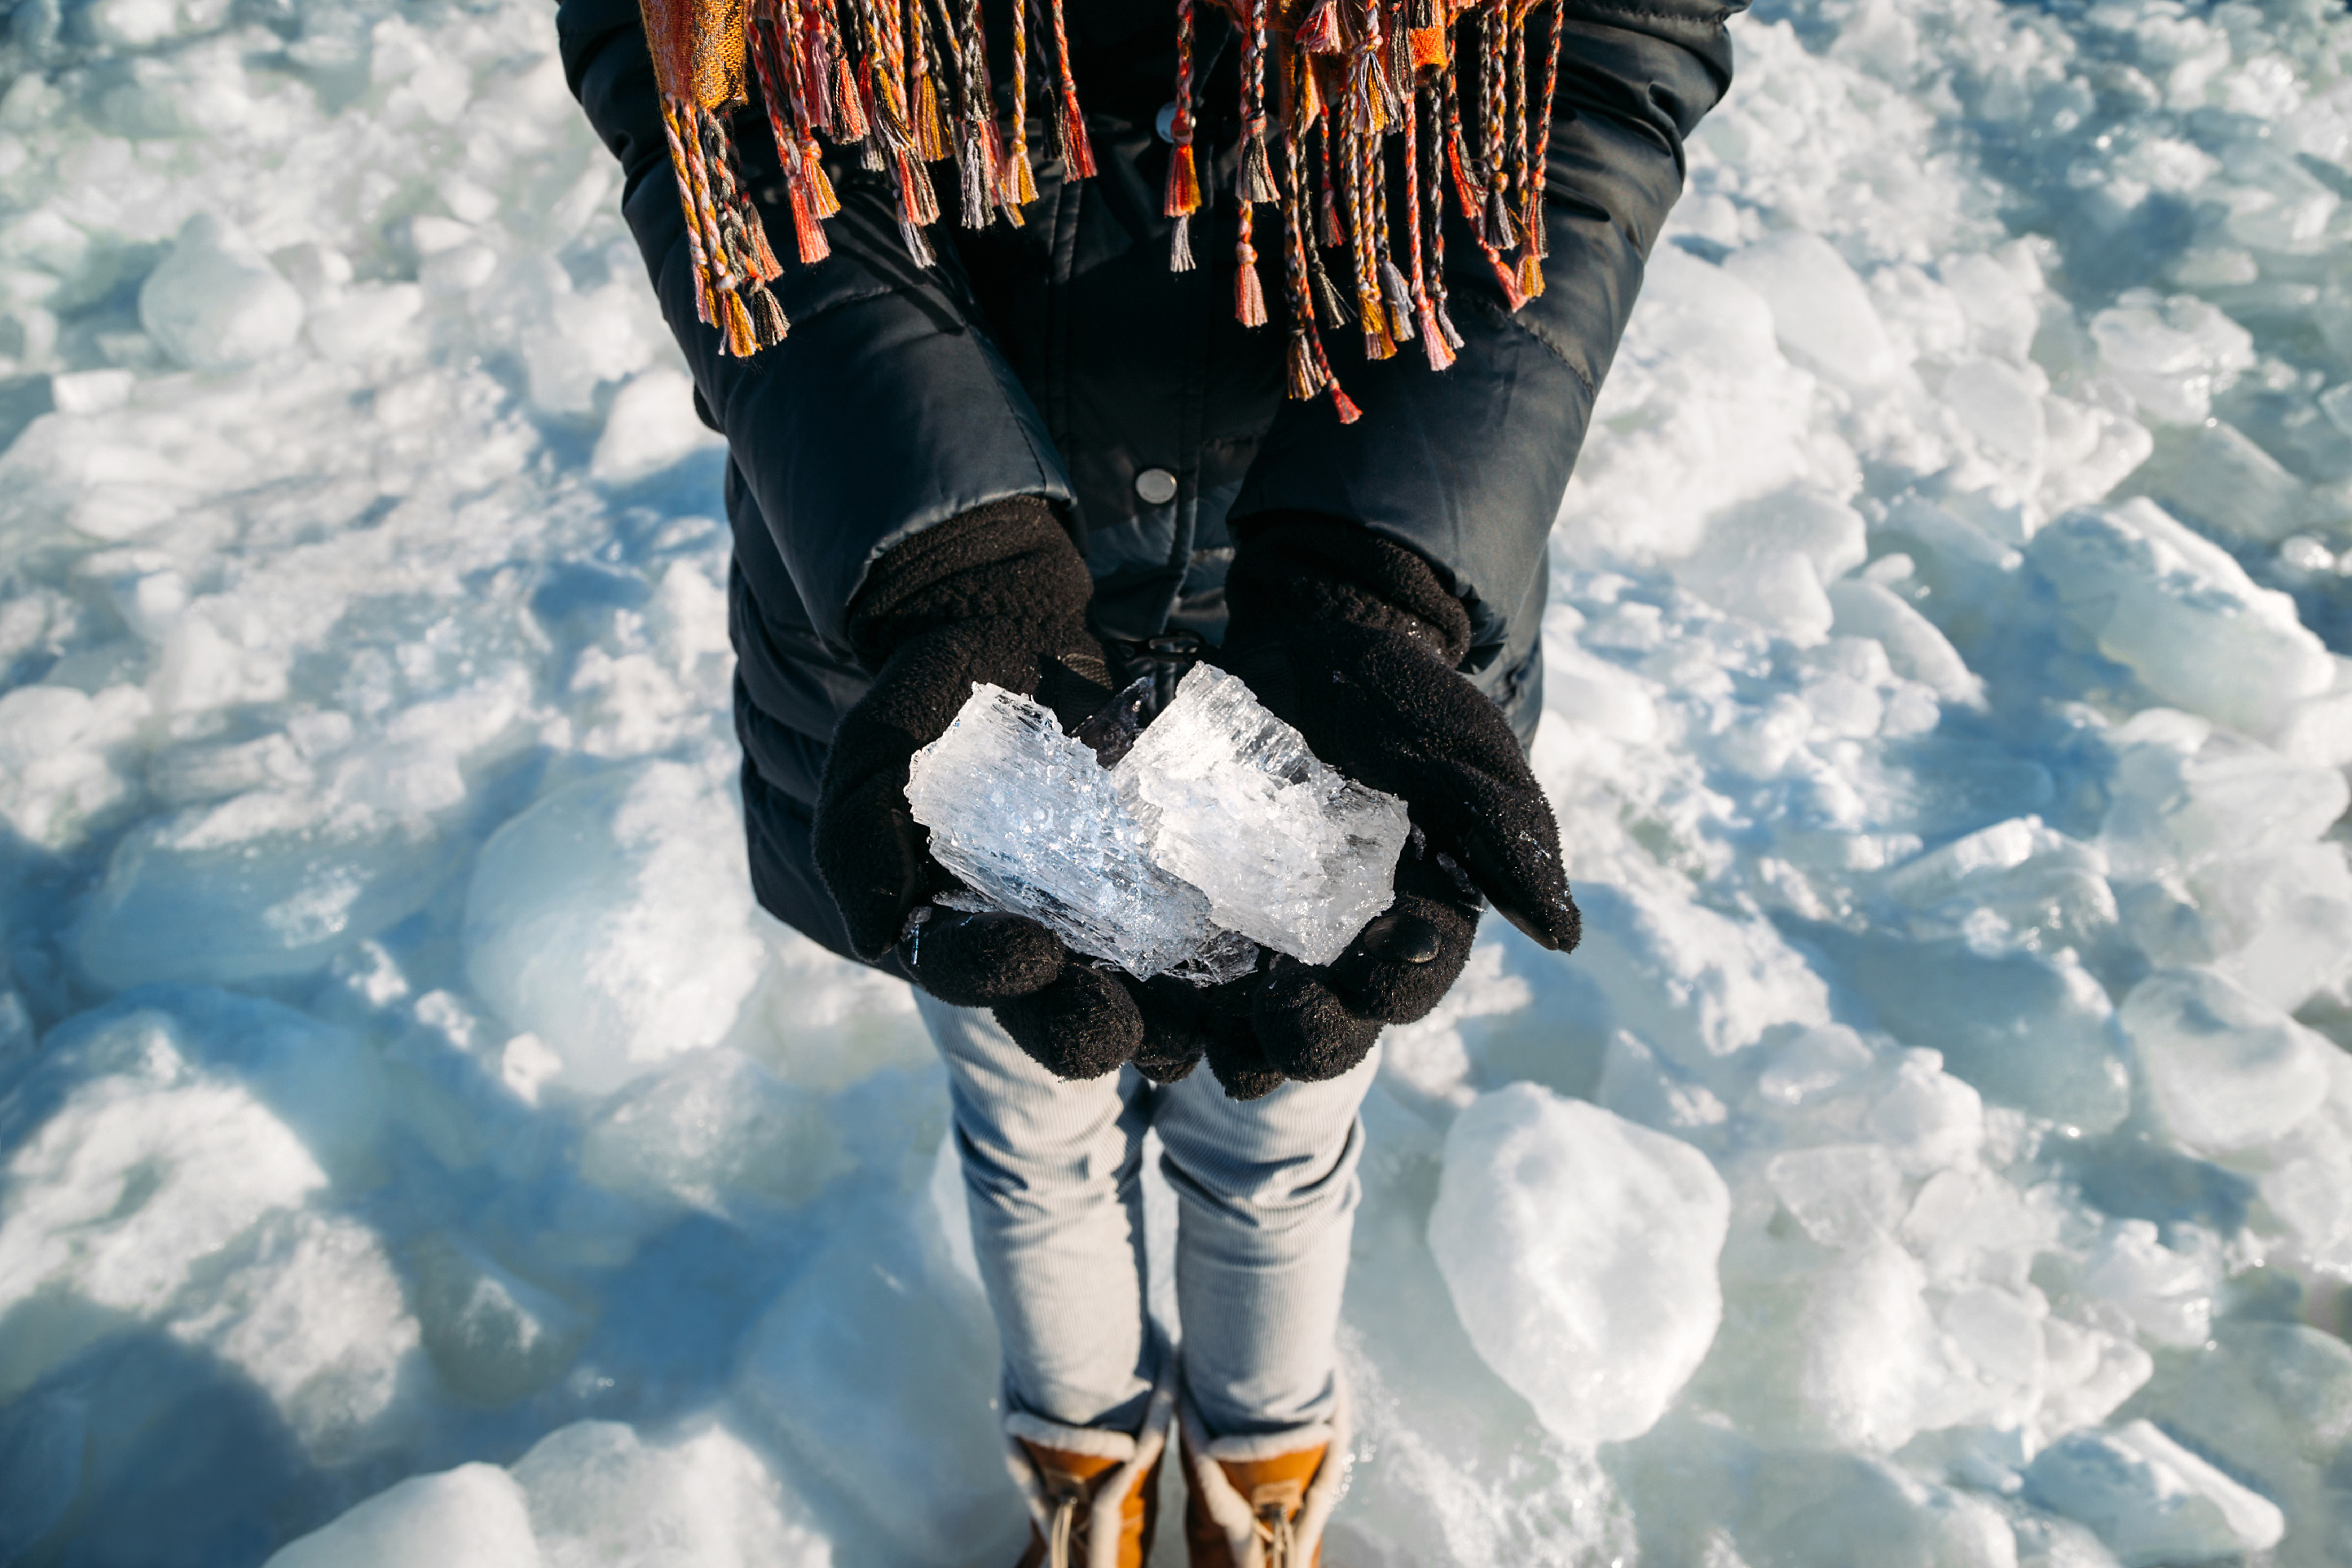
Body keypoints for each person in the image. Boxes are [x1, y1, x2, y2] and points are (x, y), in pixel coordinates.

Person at [557, 0, 1737, 1557]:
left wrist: (1390, 574)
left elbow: (1600, 67)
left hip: (1327, 605)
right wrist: (947, 550)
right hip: (929, 624)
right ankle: (1091, 1483)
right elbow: (701, 88)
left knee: (1265, 1116)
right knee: (1053, 1106)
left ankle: (1252, 1484)